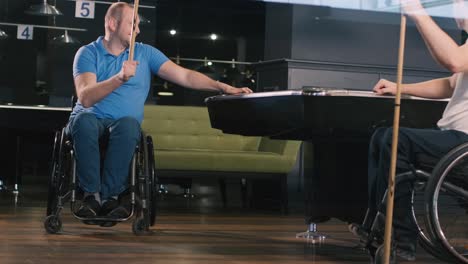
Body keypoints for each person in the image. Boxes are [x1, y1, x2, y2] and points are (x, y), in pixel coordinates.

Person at [68, 2, 252, 226]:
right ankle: (90, 196)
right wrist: (119, 78)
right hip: (90, 119)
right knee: (84, 120)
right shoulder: (88, 53)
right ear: (112, 23)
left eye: (138, 25)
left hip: (124, 124)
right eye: (132, 24)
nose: (137, 30)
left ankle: (111, 198)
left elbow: (185, 77)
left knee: (128, 125)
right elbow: (85, 97)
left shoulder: (145, 53)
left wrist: (223, 87)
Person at [349, 0, 468, 261]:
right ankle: (377, 221)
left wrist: (417, 12)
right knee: (382, 135)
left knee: (396, 139)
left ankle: (402, 240)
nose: (457, 6)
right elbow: (450, 84)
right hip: (457, 142)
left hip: (464, 146)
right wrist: (399, 87)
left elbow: (454, 62)